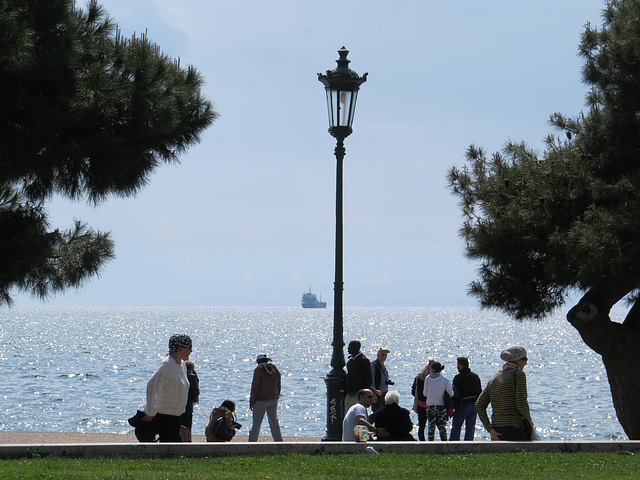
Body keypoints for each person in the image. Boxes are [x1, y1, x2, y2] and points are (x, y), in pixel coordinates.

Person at [476, 345, 536, 441]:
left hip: (497, 430)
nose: (526, 363)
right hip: (515, 429)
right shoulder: (518, 375)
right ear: (518, 360)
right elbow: (521, 403)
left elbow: (479, 405)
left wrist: (490, 430)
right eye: (525, 359)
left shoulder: (493, 378)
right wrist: (530, 421)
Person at [142, 333, 192, 442]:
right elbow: (152, 386)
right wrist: (150, 412)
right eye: (189, 347)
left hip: (177, 416)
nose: (191, 351)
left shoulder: (182, 365)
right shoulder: (167, 364)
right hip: (165, 417)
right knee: (174, 450)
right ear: (180, 348)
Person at [248, 353, 283, 442]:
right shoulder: (274, 369)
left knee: (257, 423)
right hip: (274, 398)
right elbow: (279, 383)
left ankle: (252, 443)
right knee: (274, 421)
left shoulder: (258, 370)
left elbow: (255, 386)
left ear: (258, 362)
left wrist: (252, 400)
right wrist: (277, 395)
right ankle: (279, 441)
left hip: (261, 400)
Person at [449, 356, 482, 441]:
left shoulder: (458, 378)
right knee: (470, 427)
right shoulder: (475, 376)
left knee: (456, 426)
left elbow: (454, 393)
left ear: (460, 365)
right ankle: (469, 444)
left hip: (463, 404)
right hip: (474, 404)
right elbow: (480, 392)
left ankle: (453, 444)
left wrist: (453, 405)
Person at [423, 361, 454, 441]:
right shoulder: (445, 380)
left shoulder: (427, 379)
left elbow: (425, 393)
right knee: (442, 427)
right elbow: (451, 393)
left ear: (432, 369)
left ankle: (430, 444)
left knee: (431, 427)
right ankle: (444, 443)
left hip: (430, 405)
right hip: (441, 405)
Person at [345, 340, 373, 411]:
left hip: (358, 393)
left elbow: (368, 379)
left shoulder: (364, 361)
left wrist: (364, 394)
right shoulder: (350, 361)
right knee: (348, 411)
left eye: (350, 347)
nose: (348, 349)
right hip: (350, 392)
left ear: (356, 348)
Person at [411, 359, 433, 441]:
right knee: (432, 425)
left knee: (421, 425)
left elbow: (413, 392)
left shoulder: (418, 377)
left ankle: (422, 441)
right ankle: (431, 440)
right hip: (431, 403)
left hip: (420, 404)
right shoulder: (432, 378)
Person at [179, 360, 200, 442]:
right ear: (191, 369)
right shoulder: (192, 377)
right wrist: (195, 399)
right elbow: (195, 391)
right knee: (187, 424)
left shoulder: (179, 375)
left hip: (177, 403)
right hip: (188, 403)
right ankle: (187, 440)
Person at [370, 347, 394, 416]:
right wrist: (374, 393)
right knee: (377, 413)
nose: (384, 357)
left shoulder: (382, 365)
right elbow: (372, 380)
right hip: (378, 394)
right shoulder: (373, 365)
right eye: (382, 355)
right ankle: (366, 423)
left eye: (385, 355)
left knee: (383, 413)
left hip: (384, 393)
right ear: (378, 355)